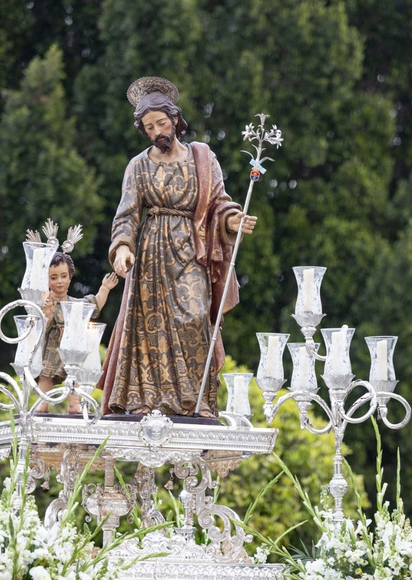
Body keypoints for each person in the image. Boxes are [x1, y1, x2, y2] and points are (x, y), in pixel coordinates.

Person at [101, 76, 257, 419]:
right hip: (151, 254)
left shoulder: (202, 158)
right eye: (148, 126)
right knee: (148, 328)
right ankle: (147, 399)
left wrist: (231, 221)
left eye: (161, 122)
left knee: (195, 317)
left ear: (175, 119)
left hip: (190, 251)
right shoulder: (137, 166)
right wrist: (123, 247)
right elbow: (126, 215)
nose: (157, 131)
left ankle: (195, 400)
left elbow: (219, 202)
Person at [38, 252, 119, 413]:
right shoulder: (45, 303)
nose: (59, 281)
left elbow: (94, 306)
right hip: (52, 350)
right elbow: (40, 327)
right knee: (45, 375)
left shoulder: (75, 305)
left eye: (63, 276)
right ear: (46, 280)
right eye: (53, 278)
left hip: (73, 348)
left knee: (75, 375)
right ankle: (42, 403)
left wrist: (105, 288)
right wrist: (46, 314)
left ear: (70, 277)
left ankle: (75, 404)